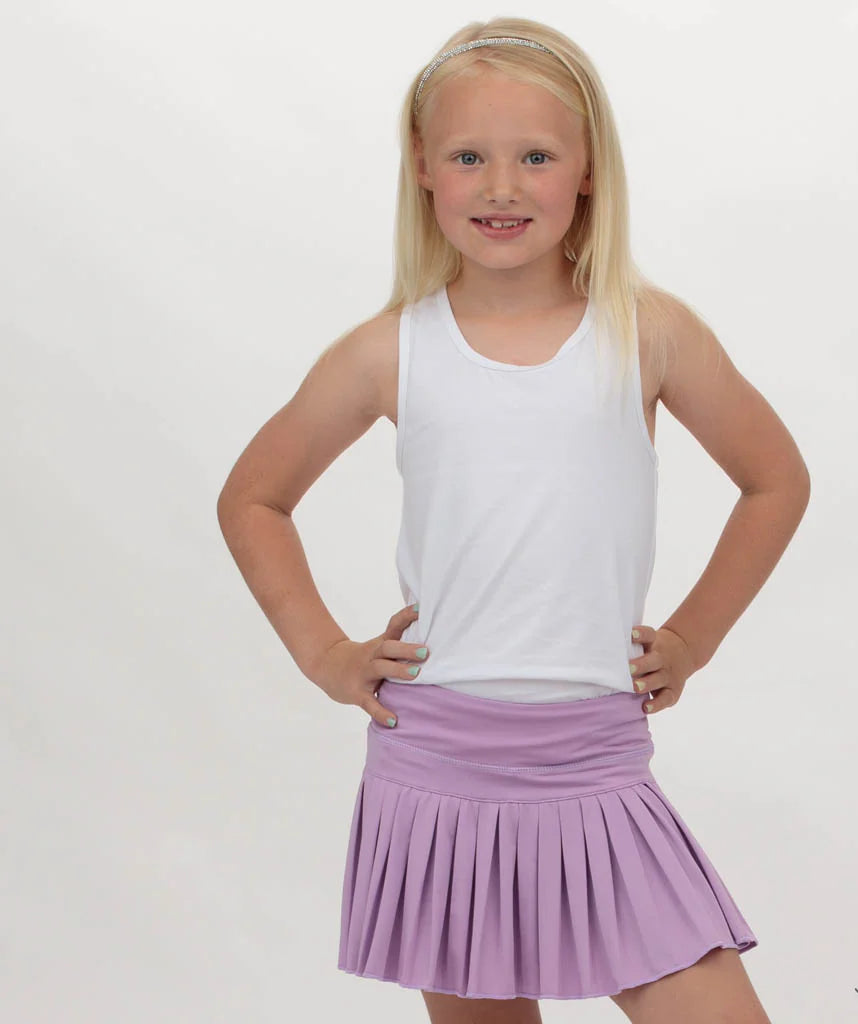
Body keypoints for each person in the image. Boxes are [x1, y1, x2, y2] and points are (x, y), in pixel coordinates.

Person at [217, 16, 808, 1024]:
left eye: (535, 156)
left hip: (592, 757)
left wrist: (692, 639)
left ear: (588, 169)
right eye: (468, 157)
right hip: (435, 761)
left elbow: (774, 479)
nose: (501, 186)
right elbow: (254, 498)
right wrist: (324, 654)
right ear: (422, 168)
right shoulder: (387, 351)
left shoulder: (646, 333)